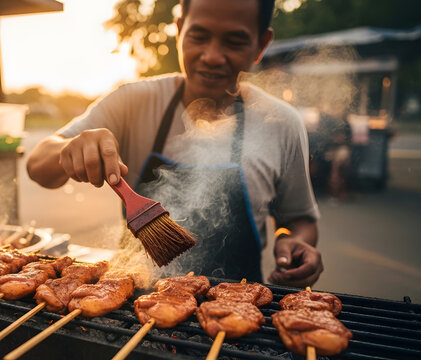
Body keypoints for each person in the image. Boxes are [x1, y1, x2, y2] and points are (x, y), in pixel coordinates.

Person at [27, 0, 322, 287]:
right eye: (199, 35)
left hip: (238, 311)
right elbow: (37, 164)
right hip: (133, 302)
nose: (212, 56)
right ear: (179, 29)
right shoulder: (132, 101)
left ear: (261, 44)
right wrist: (68, 149)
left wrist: (292, 241)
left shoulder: (280, 123)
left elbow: (298, 221)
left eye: (234, 41)